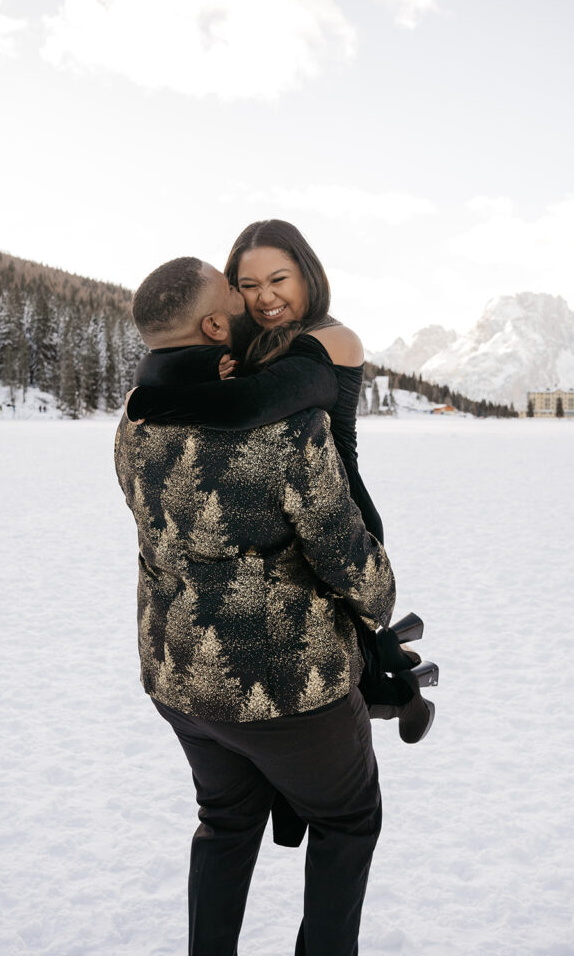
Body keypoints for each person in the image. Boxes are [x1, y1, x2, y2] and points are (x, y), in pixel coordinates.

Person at [115, 255, 397, 956]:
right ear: (216, 326)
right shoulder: (286, 429)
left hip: (179, 677)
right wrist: (381, 603)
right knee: (347, 821)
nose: (253, 303)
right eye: (236, 293)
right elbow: (343, 553)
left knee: (225, 823)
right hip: (286, 688)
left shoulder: (134, 422)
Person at [125, 220, 434, 746]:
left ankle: (400, 690)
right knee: (340, 638)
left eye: (279, 279)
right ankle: (395, 678)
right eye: (248, 285)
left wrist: (145, 401)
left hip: (338, 506)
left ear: (308, 275)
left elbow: (250, 404)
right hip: (282, 509)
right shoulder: (248, 338)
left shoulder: (332, 340)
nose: (265, 297)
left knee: (342, 637)